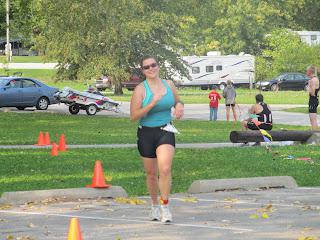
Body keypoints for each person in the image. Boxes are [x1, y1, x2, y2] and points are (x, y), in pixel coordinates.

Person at [130, 55, 184, 223]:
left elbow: (177, 100)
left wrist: (180, 105)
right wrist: (152, 103)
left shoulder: (169, 84)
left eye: (153, 65)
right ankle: (154, 206)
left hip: (165, 130)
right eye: (146, 67)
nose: (151, 68)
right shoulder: (140, 89)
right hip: (146, 132)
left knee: (165, 169)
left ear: (158, 66)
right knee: (152, 174)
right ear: (143, 71)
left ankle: (165, 206)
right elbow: (134, 116)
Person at [306, 65, 320, 130]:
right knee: (313, 119)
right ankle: (315, 133)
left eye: (307, 71)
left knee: (313, 119)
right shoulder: (315, 79)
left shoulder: (312, 80)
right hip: (314, 100)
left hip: (313, 100)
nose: (306, 72)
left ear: (310, 71)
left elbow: (312, 93)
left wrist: (309, 86)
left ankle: (315, 135)